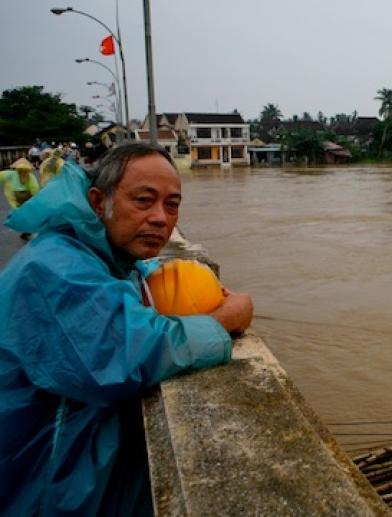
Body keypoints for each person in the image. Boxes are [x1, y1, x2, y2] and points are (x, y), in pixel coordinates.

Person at [0, 143, 253, 515]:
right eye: (143, 200)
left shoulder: (93, 252)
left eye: (172, 205)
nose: (160, 218)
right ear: (99, 201)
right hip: (45, 490)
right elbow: (122, 356)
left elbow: (125, 278)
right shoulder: (55, 269)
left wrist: (185, 279)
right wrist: (227, 318)